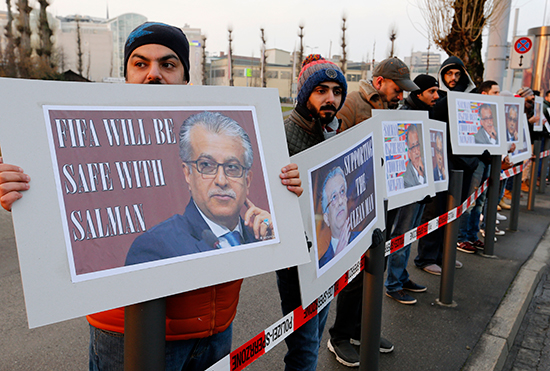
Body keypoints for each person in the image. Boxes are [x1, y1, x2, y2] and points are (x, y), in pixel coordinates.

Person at [0, 22, 303, 371]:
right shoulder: (94, 136)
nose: (153, 75)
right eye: (140, 64)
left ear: (187, 79)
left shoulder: (216, 139)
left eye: (168, 65)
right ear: (126, 75)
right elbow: (66, 208)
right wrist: (23, 193)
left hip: (216, 330)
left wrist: (285, 191)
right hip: (125, 334)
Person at [327, 57, 418, 367]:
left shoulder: (391, 110)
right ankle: (339, 335)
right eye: (397, 88)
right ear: (379, 82)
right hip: (355, 205)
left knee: (375, 267)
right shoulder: (352, 103)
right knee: (354, 272)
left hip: (381, 201)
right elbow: (333, 152)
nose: (401, 95)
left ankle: (362, 329)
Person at [125, 111, 272, 266]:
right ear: (188, 173)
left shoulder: (262, 235)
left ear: (247, 181)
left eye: (232, 167)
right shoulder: (155, 248)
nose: (221, 181)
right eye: (206, 165)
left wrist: (281, 244)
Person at [278, 54, 347, 371]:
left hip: (329, 252)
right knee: (305, 345)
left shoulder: (337, 130)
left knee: (316, 334)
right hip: (298, 258)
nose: (330, 98)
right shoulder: (282, 134)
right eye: (321, 90)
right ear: (305, 93)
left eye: (336, 90)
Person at [415, 56, 479, 274]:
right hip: (441, 161)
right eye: (449, 73)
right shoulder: (437, 97)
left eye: (457, 74)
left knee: (455, 211)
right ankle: (426, 257)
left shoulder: (472, 96)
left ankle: (445, 255)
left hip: (466, 164)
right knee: (436, 210)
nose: (453, 78)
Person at [384, 74, 440, 305]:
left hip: (422, 182)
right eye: (432, 91)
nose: (437, 96)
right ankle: (394, 284)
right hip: (407, 187)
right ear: (419, 93)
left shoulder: (426, 113)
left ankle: (402, 277)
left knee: (411, 233)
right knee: (402, 233)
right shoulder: (405, 115)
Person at [319, 166, 350, 268]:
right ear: (326, 218)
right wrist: (337, 258)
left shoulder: (364, 236)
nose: (340, 202)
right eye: (334, 197)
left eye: (342, 192)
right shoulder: (321, 265)